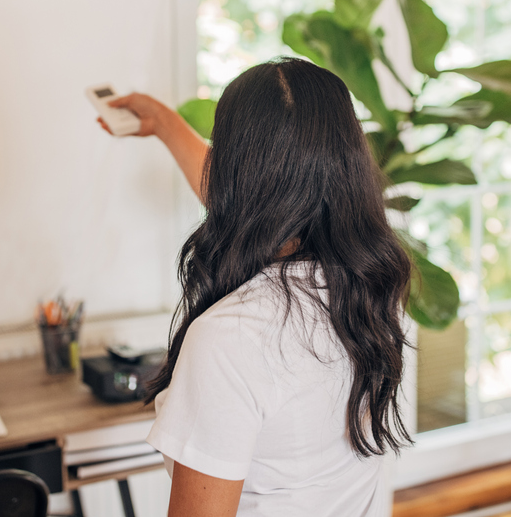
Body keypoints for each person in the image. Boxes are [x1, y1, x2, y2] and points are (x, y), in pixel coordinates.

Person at [98, 58, 412, 517]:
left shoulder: (229, 338)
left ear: (232, 173)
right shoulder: (368, 290)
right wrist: (165, 124)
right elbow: (265, 197)